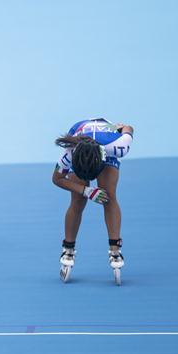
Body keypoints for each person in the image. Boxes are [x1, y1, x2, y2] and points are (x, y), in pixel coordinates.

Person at [52, 118, 134, 285]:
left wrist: (122, 128)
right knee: (78, 200)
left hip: (105, 144)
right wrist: (86, 190)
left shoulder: (118, 146)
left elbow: (129, 128)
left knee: (108, 196)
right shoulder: (69, 153)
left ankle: (115, 249)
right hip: (81, 138)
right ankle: (68, 249)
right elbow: (57, 179)